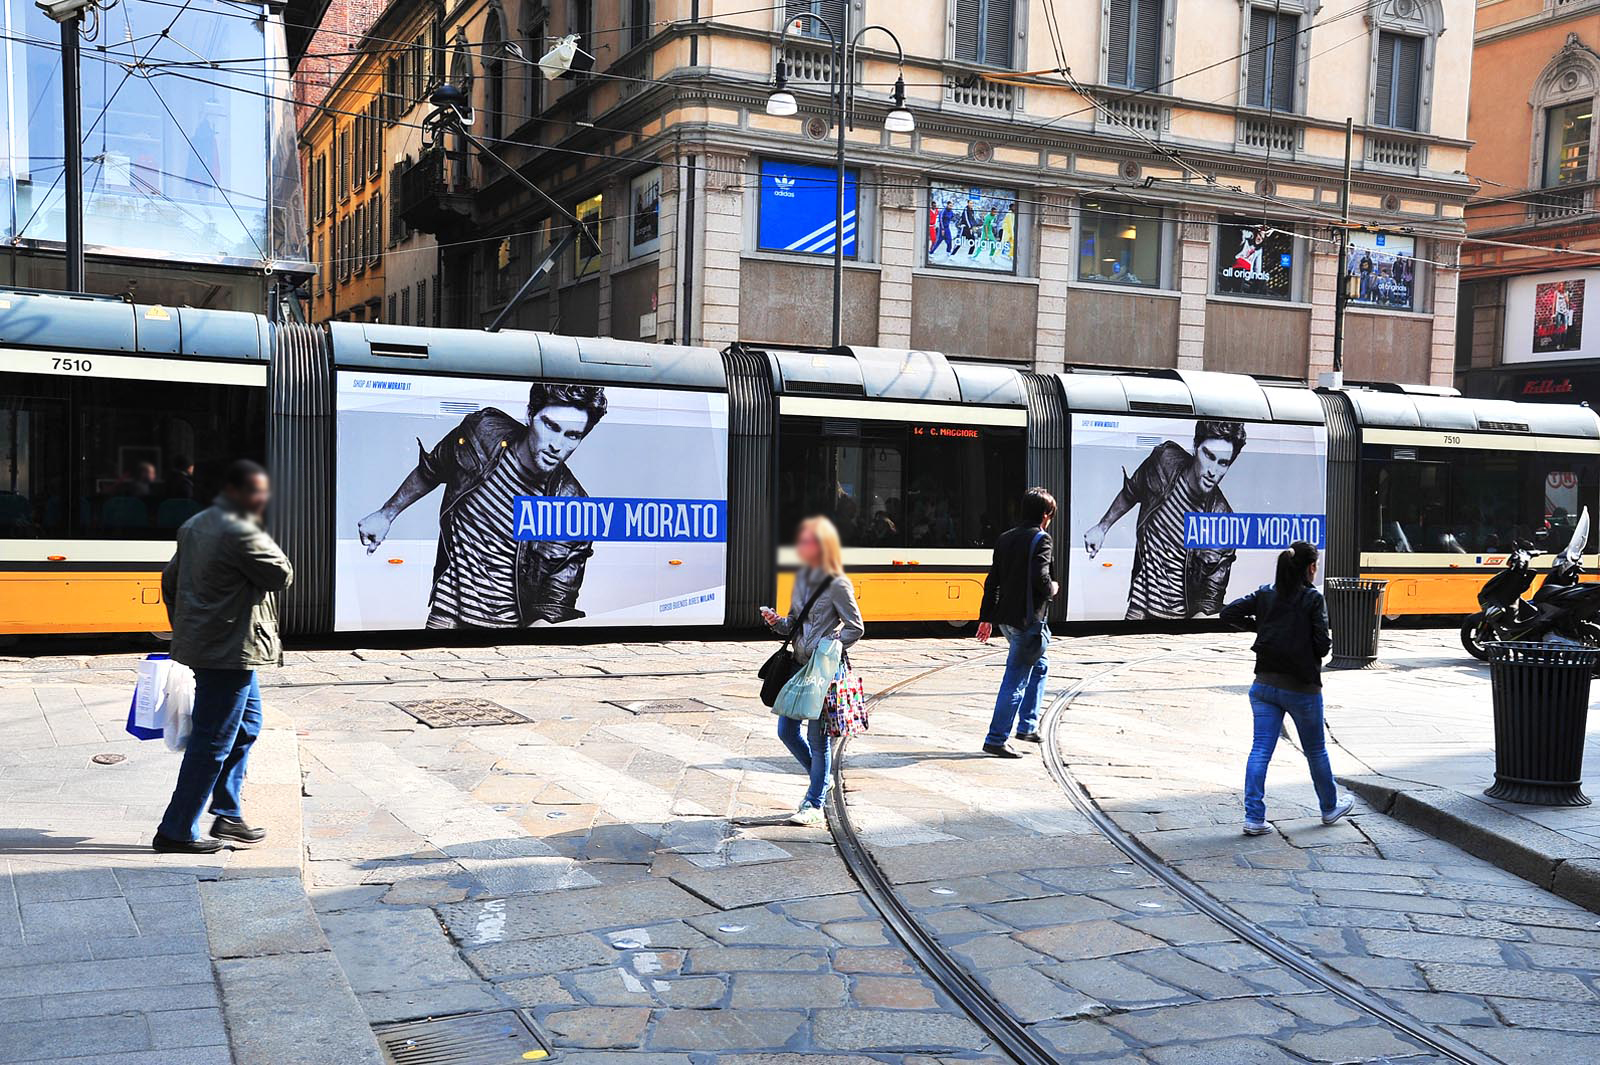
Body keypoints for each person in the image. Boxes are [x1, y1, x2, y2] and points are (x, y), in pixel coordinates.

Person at [356, 383, 608, 628]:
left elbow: (555, 604)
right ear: (531, 415)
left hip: (505, 629)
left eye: (572, 435)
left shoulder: (572, 506)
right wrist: (386, 514)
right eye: (551, 426)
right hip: (446, 611)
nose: (557, 445)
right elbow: (431, 469)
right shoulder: (482, 431)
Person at [153, 460, 294, 854]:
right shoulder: (240, 529)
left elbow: (169, 581)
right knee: (213, 741)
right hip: (229, 649)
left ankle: (228, 814)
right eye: (259, 492)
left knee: (248, 724)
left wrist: (187, 627)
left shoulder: (195, 524)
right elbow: (281, 575)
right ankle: (176, 830)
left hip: (215, 645)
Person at [1220, 541, 1353, 836]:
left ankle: (1254, 818)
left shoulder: (1265, 592)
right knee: (1316, 750)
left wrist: (1263, 628)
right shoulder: (1312, 598)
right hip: (1301, 689)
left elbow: (1227, 614)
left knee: (1260, 751)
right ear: (1311, 567)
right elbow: (1322, 644)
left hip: (1264, 684)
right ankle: (1329, 807)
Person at [1083, 420, 1247, 620]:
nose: (1213, 471)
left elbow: (1211, 596)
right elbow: (1132, 491)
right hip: (1138, 602)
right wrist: (1102, 527)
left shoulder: (1223, 520)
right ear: (1196, 447)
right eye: (1209, 456)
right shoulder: (1164, 460)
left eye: (1223, 463)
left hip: (1174, 619)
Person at [761, 516, 865, 825]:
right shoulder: (800, 578)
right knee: (786, 730)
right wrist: (777, 622)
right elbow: (795, 622)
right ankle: (822, 779)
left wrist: (828, 643)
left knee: (819, 740)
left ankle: (813, 803)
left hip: (824, 671)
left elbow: (856, 627)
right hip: (797, 666)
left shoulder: (837, 583)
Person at [976, 488, 1058, 758]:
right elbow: (1041, 579)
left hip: (1007, 620)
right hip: (1027, 621)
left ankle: (1027, 726)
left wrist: (986, 617)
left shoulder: (1005, 538)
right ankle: (996, 738)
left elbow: (993, 581)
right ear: (1045, 515)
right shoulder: (1041, 539)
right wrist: (1053, 589)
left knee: (1040, 665)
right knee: (1016, 678)